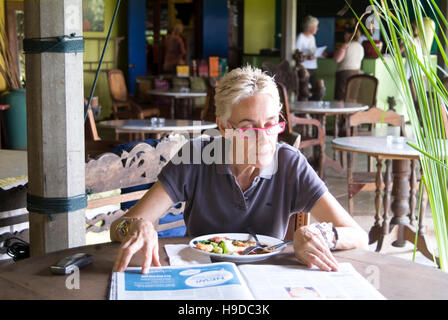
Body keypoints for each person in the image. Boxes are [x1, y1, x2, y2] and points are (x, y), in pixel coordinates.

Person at [111, 66, 369, 274]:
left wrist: (317, 233)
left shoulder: (290, 163)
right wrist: (137, 226)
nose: (264, 138)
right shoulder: (195, 156)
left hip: (268, 283)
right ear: (224, 127)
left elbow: (358, 235)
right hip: (202, 278)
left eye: (270, 125)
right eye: (248, 128)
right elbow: (118, 228)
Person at [333, 27, 365, 101]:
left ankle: (341, 112)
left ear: (350, 35)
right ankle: (352, 113)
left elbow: (337, 59)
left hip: (344, 74)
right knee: (353, 97)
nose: (344, 36)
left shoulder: (346, 45)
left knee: (341, 98)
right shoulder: (360, 46)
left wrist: (340, 50)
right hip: (357, 73)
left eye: (345, 34)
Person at [296, 15, 320, 98]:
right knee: (304, 91)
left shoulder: (312, 38)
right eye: (316, 26)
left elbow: (313, 51)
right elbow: (296, 55)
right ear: (310, 27)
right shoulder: (300, 37)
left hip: (313, 67)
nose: (317, 28)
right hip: (304, 68)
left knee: (313, 89)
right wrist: (308, 58)